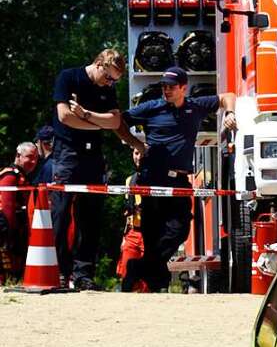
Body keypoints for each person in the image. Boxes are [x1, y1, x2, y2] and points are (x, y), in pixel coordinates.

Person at [118, 66, 235, 292]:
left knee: (180, 228)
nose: (166, 90)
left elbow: (228, 97)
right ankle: (154, 284)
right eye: (164, 86)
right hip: (151, 178)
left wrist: (230, 113)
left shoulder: (196, 106)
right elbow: (119, 121)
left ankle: (138, 270)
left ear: (184, 88)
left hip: (179, 180)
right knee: (152, 235)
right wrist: (136, 144)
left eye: (171, 87)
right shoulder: (152, 108)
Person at [50, 48, 140, 290]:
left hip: (93, 157)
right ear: (99, 64)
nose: (109, 83)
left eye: (114, 81)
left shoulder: (107, 89)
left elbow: (113, 121)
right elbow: (65, 117)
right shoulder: (69, 77)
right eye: (108, 77)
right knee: (60, 214)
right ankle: (60, 271)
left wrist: (87, 114)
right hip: (67, 154)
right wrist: (96, 123)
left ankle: (83, 275)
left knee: (90, 219)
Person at [0, 142, 39, 284]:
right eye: (29, 157)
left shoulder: (23, 176)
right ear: (18, 156)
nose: (33, 161)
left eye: (36, 158)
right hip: (6, 227)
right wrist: (10, 232)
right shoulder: (10, 175)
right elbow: (7, 207)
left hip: (18, 226)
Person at [116, 149, 149, 292]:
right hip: (133, 233)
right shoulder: (129, 180)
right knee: (126, 276)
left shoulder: (158, 178)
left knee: (148, 282)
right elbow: (128, 211)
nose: (139, 157)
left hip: (151, 234)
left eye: (142, 153)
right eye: (136, 153)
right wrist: (125, 237)